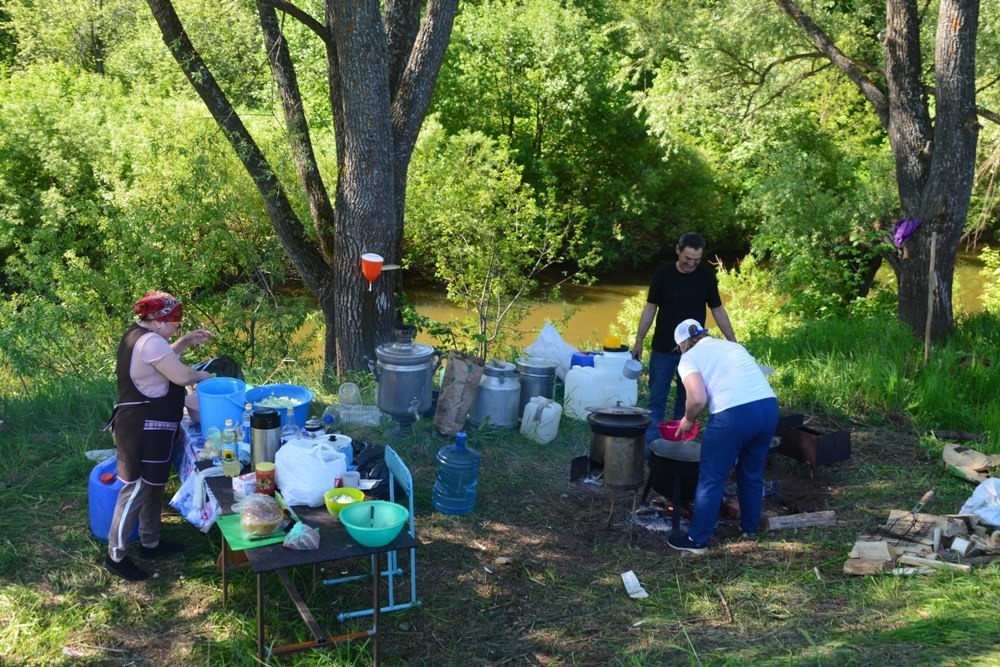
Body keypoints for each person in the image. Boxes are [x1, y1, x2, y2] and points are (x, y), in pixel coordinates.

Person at [104, 291, 215, 581]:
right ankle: (115, 555)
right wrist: (206, 377)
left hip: (150, 426)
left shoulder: (139, 334)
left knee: (153, 485)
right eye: (175, 324)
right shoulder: (151, 341)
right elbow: (181, 376)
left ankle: (150, 541)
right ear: (159, 321)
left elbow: (162, 359)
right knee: (137, 489)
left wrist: (185, 342)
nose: (176, 329)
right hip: (142, 429)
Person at [665, 319, 778, 554]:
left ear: (682, 345)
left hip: (733, 416)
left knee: (712, 478)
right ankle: (749, 529)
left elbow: (697, 398)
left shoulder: (689, 358)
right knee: (752, 473)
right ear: (704, 334)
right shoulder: (733, 346)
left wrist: (688, 420)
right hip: (767, 408)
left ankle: (697, 540)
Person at [630, 232, 737, 445]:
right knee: (656, 400)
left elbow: (717, 309)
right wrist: (639, 340)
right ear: (678, 250)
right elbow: (650, 308)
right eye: (688, 258)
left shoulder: (706, 277)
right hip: (662, 348)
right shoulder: (662, 275)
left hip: (693, 351)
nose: (691, 263)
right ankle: (651, 447)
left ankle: (679, 446)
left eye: (697, 260)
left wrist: (733, 343)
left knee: (687, 398)